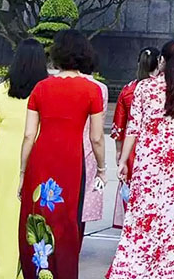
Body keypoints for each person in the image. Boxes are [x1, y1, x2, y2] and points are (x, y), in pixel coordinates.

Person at [108, 40, 174, 279]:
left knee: (142, 215)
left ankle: (132, 268)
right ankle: (162, 271)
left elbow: (133, 127)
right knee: (170, 220)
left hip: (148, 159)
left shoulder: (144, 88)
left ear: (161, 61)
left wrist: (122, 160)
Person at [18, 29, 106, 279]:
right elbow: (97, 138)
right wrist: (101, 168)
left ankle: (38, 271)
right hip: (71, 161)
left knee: (37, 217)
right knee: (66, 222)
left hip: (41, 158)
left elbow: (28, 135)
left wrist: (22, 171)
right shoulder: (92, 91)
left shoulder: (41, 87)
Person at [0, 38, 49, 279]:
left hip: (5, 156)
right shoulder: (45, 91)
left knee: (3, 216)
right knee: (34, 215)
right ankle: (28, 268)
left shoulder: (0, 91)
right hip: (36, 156)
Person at [111, 48, 160, 228]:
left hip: (131, 146)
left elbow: (119, 125)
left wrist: (118, 150)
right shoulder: (162, 89)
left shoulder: (128, 89)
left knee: (131, 185)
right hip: (156, 145)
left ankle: (131, 225)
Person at [81, 71, 110, 229]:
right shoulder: (99, 88)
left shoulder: (50, 85)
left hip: (61, 146)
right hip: (87, 148)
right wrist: (102, 167)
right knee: (83, 199)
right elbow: (97, 134)